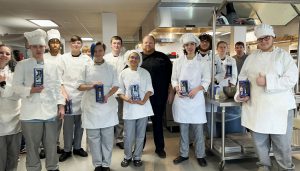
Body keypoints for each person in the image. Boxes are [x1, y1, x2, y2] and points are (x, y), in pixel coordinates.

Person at [235, 23, 298, 171]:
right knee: (259, 143)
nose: (263, 41)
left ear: (273, 38)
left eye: (266, 38)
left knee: (282, 144)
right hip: (256, 108)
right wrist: (241, 95)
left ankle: (285, 168)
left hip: (279, 110)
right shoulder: (250, 58)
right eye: (260, 39)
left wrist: (268, 81)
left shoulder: (283, 56)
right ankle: (264, 166)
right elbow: (242, 79)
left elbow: (291, 79)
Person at [13, 29, 65, 171]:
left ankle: (53, 167)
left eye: (41, 46)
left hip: (50, 113)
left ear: (45, 47)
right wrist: (30, 89)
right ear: (29, 47)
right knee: (32, 147)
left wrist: (61, 106)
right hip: (30, 115)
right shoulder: (22, 65)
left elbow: (58, 87)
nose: (38, 49)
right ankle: (33, 168)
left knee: (51, 145)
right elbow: (16, 87)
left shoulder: (53, 66)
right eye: (35, 46)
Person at [78, 42, 119, 171]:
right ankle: (97, 164)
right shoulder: (85, 67)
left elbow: (116, 85)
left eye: (100, 51)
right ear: (91, 52)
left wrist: (107, 95)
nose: (97, 53)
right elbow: (79, 86)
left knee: (107, 138)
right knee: (93, 138)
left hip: (107, 106)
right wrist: (91, 86)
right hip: (91, 107)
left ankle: (106, 164)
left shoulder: (111, 67)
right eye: (95, 51)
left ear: (104, 51)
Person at [171, 33, 210, 167]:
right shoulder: (178, 61)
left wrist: (197, 89)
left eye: (192, 44)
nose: (190, 47)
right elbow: (174, 78)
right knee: (183, 129)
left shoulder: (203, 62)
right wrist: (176, 88)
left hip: (196, 99)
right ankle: (184, 154)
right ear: (184, 46)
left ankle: (200, 155)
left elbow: (206, 80)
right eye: (187, 45)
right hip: (182, 99)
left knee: (198, 129)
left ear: (196, 45)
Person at [58, 35, 93, 162]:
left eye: (78, 43)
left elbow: (90, 76)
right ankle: (67, 149)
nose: (76, 45)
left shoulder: (87, 59)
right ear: (70, 45)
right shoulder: (63, 58)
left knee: (80, 124)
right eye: (74, 43)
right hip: (68, 96)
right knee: (67, 125)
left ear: (81, 45)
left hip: (82, 95)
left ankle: (77, 147)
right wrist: (64, 94)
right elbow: (59, 78)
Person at [118, 50, 154, 167]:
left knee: (140, 135)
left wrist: (143, 101)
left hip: (143, 108)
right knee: (128, 135)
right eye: (131, 57)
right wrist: (126, 99)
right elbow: (120, 91)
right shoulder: (123, 73)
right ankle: (127, 156)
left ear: (139, 60)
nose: (133, 59)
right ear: (128, 59)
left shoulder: (145, 72)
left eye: (136, 58)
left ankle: (137, 157)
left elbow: (149, 89)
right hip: (129, 108)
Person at [140, 35, 172, 158]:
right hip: (141, 98)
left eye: (150, 43)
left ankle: (159, 148)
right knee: (141, 124)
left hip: (158, 96)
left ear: (154, 44)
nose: (148, 45)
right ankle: (139, 148)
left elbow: (171, 77)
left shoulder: (163, 58)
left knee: (157, 123)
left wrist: (170, 92)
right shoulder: (137, 57)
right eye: (146, 42)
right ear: (142, 44)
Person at [38, 29, 64, 159]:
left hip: (59, 93)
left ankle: (55, 144)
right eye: (52, 42)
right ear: (48, 44)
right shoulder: (43, 57)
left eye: (57, 42)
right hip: (45, 94)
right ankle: (43, 147)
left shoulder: (63, 59)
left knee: (57, 121)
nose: (54, 45)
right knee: (45, 121)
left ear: (60, 44)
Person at [0, 44, 21, 171]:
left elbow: (17, 94)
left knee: (13, 156)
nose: (4, 56)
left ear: (11, 56)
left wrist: (2, 83)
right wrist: (7, 88)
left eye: (7, 53)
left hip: (14, 118)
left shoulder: (16, 72)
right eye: (1, 52)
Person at [103, 36, 127, 150]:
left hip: (121, 92)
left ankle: (119, 138)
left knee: (120, 116)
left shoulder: (125, 59)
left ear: (121, 45)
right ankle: (107, 138)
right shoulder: (105, 58)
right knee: (107, 114)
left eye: (118, 43)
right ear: (111, 44)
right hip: (108, 91)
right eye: (114, 43)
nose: (116, 45)